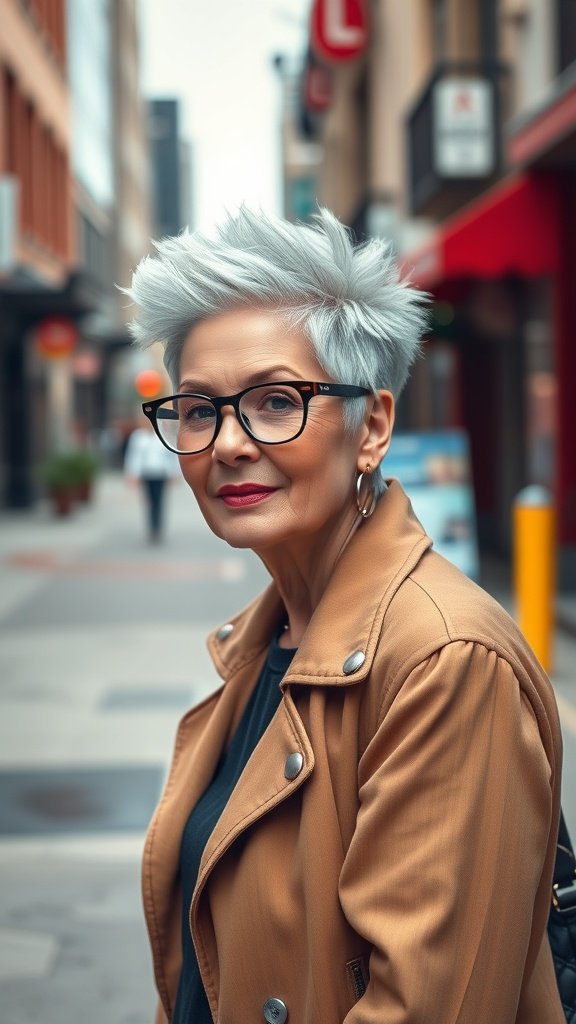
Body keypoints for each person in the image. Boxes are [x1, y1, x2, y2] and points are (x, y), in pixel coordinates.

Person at [126, 208, 564, 1024]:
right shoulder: (259, 645)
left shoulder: (445, 658)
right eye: (196, 409)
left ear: (374, 428)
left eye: (276, 400)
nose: (227, 443)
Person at [124, 413, 179, 542]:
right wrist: (132, 474)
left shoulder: (162, 435)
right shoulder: (138, 437)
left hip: (160, 474)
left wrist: (174, 472)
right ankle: (152, 527)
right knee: (149, 502)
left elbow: (171, 455)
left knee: (159, 501)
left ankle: (158, 528)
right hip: (146, 474)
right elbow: (133, 456)